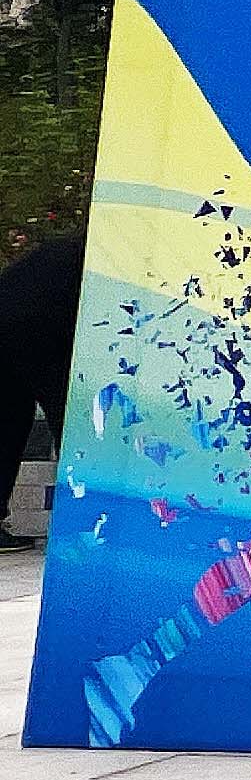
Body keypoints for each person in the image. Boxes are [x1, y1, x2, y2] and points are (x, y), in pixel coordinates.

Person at [0, 229, 80, 550]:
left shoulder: (72, 249)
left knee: (8, 422)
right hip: (43, 328)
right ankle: (80, 524)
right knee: (73, 424)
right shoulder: (99, 257)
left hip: (14, 313)